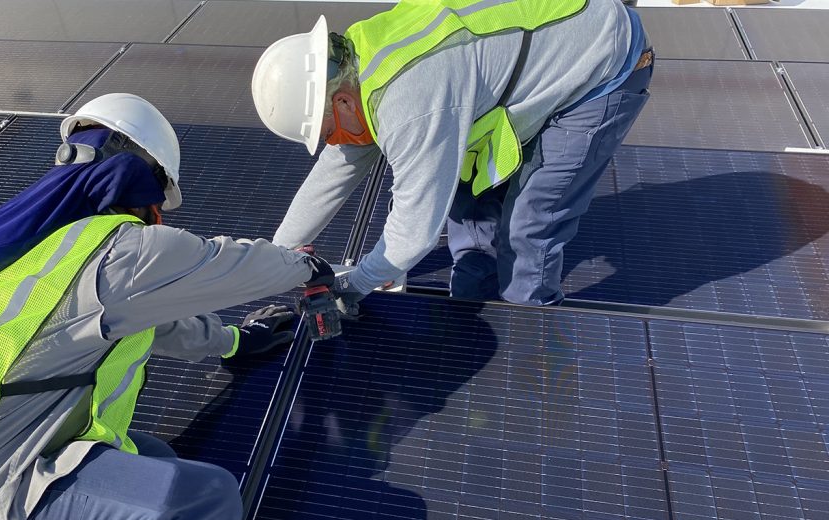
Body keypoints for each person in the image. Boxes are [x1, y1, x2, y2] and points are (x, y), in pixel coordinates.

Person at [0, 93, 334, 520]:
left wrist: (235, 341)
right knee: (207, 502)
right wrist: (309, 268)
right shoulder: (121, 252)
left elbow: (154, 325)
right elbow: (232, 263)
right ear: (150, 186)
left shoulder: (36, 262)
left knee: (153, 460)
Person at [251, 0, 653, 308]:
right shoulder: (355, 62)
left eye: (327, 133)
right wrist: (272, 258)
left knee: (529, 225)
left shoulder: (411, 103)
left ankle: (528, 332)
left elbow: (412, 234)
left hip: (604, 61)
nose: (333, 143)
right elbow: (333, 174)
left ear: (339, 102)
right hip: (544, 44)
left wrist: (348, 289)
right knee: (465, 185)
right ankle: (474, 290)